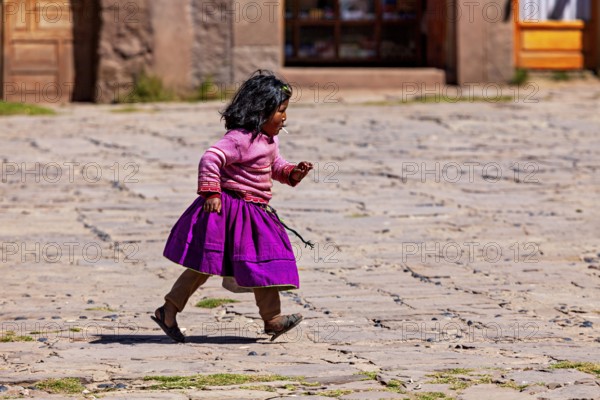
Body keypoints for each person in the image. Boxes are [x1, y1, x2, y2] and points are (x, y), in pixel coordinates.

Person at [152, 70, 313, 343]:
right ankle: (169, 309)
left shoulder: (270, 140)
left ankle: (272, 319)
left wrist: (293, 172)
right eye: (280, 111)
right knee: (203, 266)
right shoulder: (239, 138)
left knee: (261, 262)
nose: (284, 117)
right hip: (224, 211)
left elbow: (274, 166)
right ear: (261, 111)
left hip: (253, 213)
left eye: (286, 111)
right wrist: (211, 192)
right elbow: (211, 158)